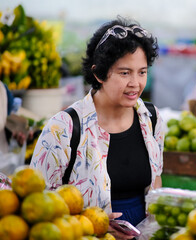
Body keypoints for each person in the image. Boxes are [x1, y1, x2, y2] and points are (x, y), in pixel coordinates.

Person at [30, 16, 165, 238]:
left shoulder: (150, 118)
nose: (135, 83)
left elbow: (156, 178)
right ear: (99, 73)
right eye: (125, 73)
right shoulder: (62, 129)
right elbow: (38, 206)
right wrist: (92, 224)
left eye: (142, 72)